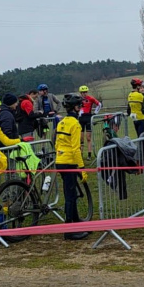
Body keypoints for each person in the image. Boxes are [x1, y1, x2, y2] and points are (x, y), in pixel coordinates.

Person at [55, 94, 90, 240]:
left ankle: (77, 223)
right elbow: (76, 149)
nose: (81, 109)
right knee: (70, 196)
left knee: (72, 193)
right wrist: (81, 168)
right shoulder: (75, 124)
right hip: (69, 161)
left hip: (60, 160)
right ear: (76, 108)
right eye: (80, 107)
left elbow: (56, 143)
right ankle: (69, 230)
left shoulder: (61, 122)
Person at [77, 86, 102, 158]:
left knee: (88, 137)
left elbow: (99, 104)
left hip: (88, 118)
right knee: (81, 138)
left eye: (85, 92)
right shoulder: (78, 99)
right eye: (83, 92)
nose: (84, 94)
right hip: (81, 119)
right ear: (80, 93)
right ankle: (80, 154)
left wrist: (95, 113)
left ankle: (89, 154)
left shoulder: (90, 98)